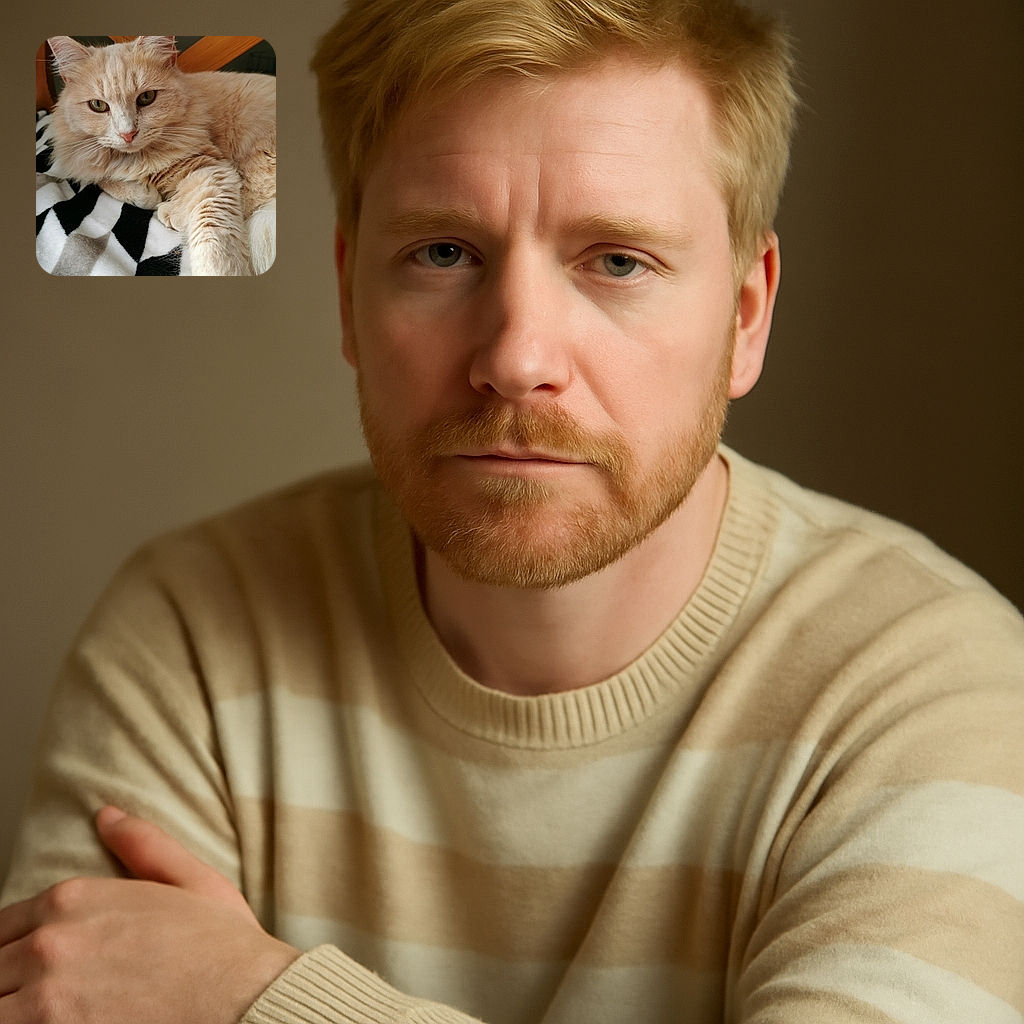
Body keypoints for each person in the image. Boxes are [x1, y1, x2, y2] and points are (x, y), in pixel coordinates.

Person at [2, 0, 1022, 1021]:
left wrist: (259, 999)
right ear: (349, 289)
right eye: (444, 253)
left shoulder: (935, 687)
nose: (515, 358)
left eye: (617, 260)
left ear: (745, 315)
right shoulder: (191, 632)